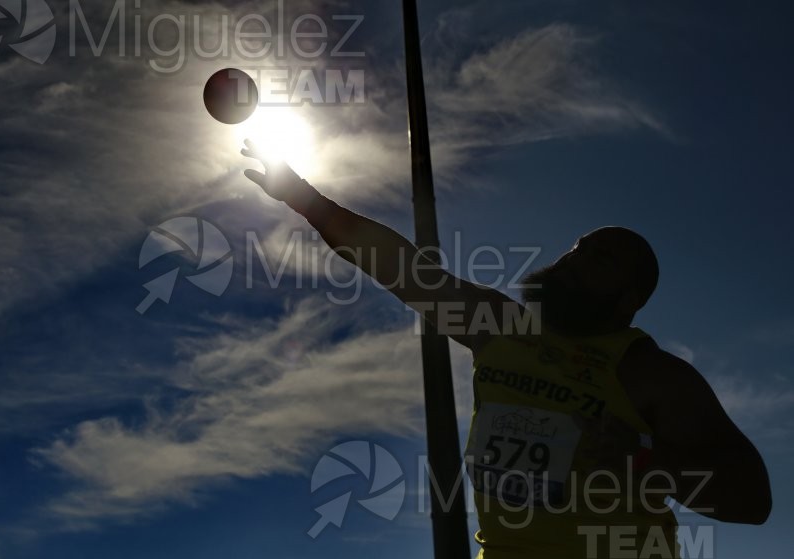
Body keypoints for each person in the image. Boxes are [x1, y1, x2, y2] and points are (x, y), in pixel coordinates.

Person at [241, 140, 772, 558]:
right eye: (577, 247)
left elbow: (752, 499)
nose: (572, 260)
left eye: (600, 260)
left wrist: (642, 459)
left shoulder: (651, 374)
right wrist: (303, 198)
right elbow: (400, 268)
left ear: (628, 300)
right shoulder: (497, 327)